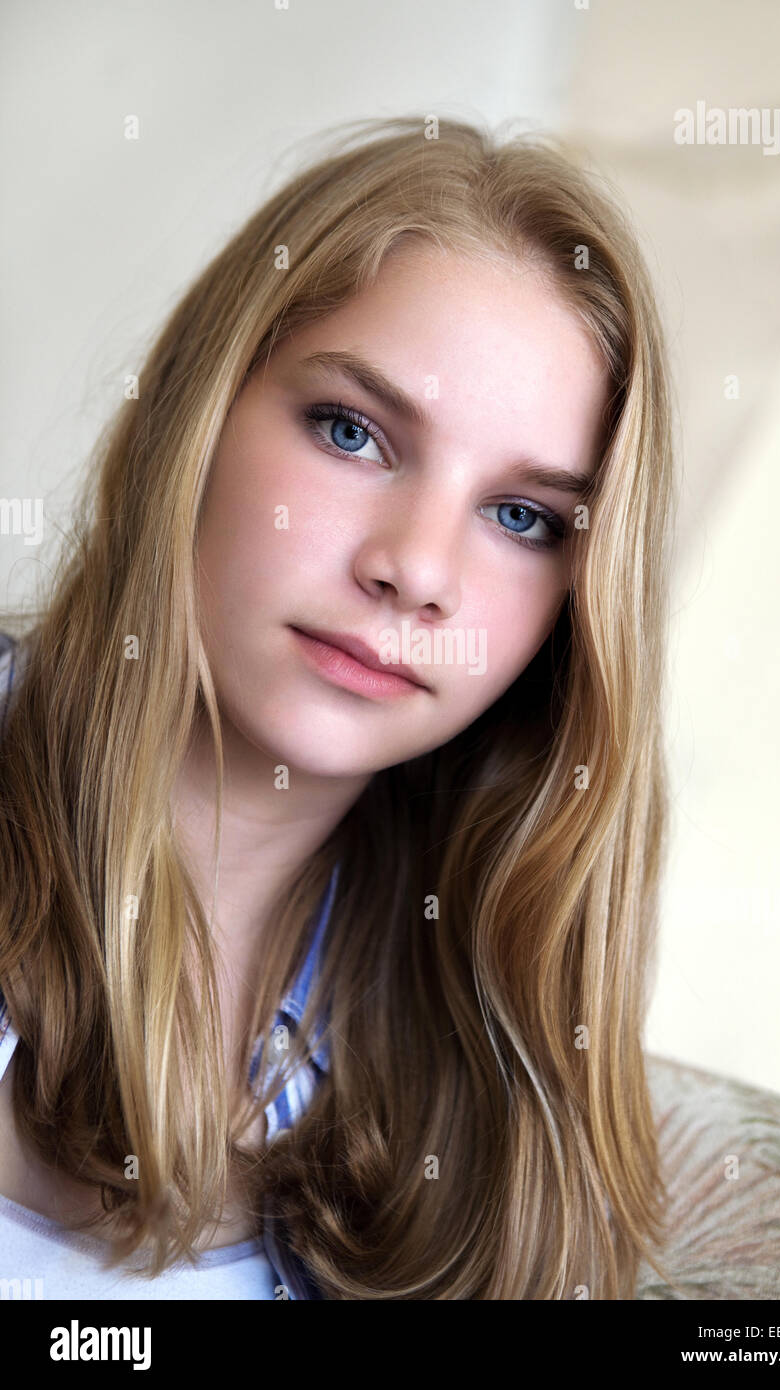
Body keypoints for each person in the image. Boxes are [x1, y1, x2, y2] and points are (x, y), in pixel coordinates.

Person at [0, 114, 676, 1299]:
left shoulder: (493, 1042)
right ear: (192, 414)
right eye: (352, 432)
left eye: (523, 517)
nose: (415, 570)